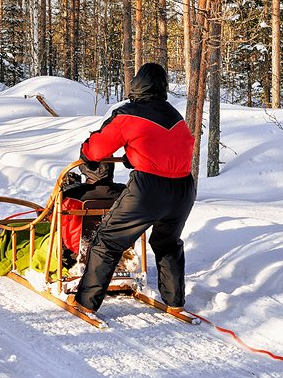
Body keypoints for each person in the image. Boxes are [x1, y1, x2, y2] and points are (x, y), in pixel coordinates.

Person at [70, 62, 196, 314]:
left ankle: (86, 304)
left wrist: (86, 152)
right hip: (183, 189)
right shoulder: (175, 116)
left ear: (136, 85)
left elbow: (96, 150)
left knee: (107, 241)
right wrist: (134, 155)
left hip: (148, 189)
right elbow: (168, 149)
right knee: (167, 243)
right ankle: (175, 302)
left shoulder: (129, 113)